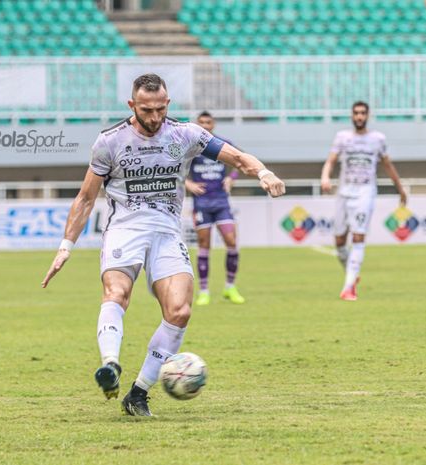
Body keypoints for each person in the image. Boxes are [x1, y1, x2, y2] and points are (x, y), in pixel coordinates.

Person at [41, 73, 285, 417]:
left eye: (159, 109)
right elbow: (85, 198)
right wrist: (66, 246)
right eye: (146, 110)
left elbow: (239, 158)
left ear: (167, 104)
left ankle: (138, 393)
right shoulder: (109, 142)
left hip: (167, 232)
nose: (154, 117)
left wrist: (263, 173)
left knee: (180, 311)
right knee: (116, 293)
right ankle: (110, 364)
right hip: (124, 229)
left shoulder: (186, 134)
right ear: (132, 105)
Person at [320, 101, 406, 301]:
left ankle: (349, 288)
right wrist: (325, 177)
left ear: (368, 116)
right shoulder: (342, 137)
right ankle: (352, 275)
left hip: (365, 192)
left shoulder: (377, 139)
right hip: (344, 192)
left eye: (363, 113)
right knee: (339, 242)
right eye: (356, 113)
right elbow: (331, 161)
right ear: (351, 115)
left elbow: (388, 165)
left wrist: (400, 189)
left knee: (358, 238)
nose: (359, 116)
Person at [185, 111, 244, 306]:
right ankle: (204, 291)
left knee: (231, 240)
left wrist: (230, 178)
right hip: (201, 203)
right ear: (197, 124)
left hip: (221, 201)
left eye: (208, 122)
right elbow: (174, 167)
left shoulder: (222, 144)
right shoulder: (192, 146)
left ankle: (230, 287)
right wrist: (188, 184)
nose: (205, 125)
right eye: (201, 122)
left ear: (214, 124)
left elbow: (241, 159)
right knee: (204, 244)